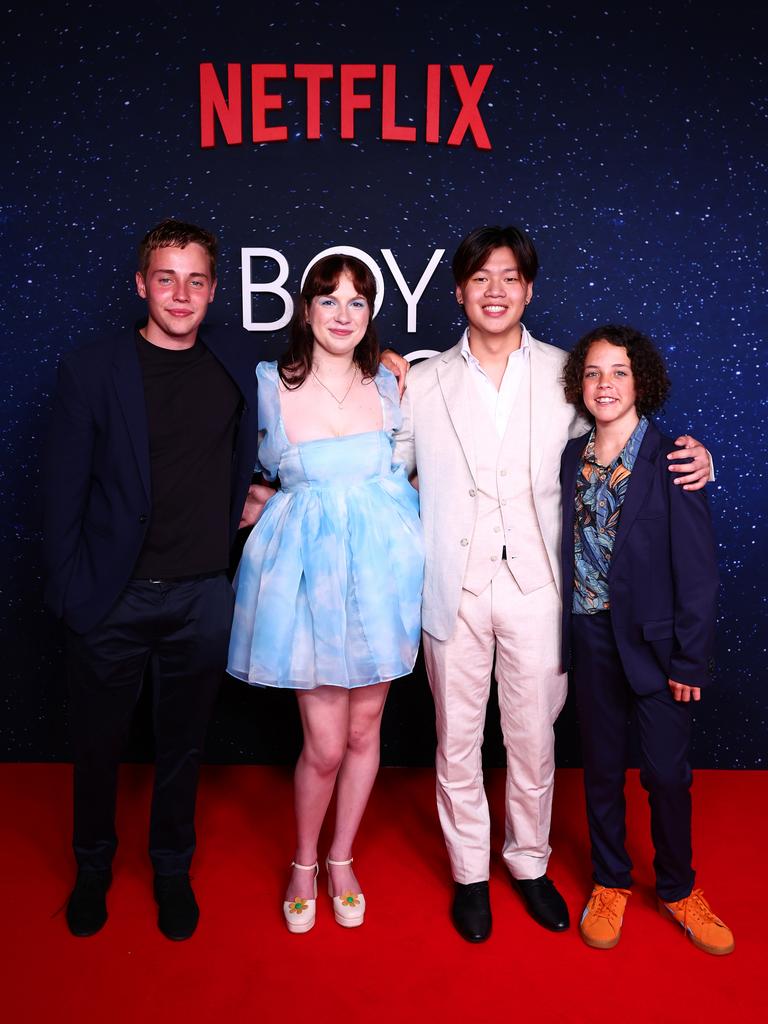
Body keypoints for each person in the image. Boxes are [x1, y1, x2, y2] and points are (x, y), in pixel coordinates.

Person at [393, 225, 712, 943]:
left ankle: (528, 864)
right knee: (456, 741)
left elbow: (621, 433)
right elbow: (385, 469)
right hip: (455, 588)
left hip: (542, 589)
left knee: (535, 739)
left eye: (509, 277)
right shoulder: (423, 381)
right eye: (481, 278)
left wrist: (695, 455)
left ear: (529, 289)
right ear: (459, 292)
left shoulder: (568, 372)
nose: (496, 291)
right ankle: (470, 872)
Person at [42, 219, 263, 940]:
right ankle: (93, 867)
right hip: (112, 599)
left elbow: (318, 371)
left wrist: (388, 362)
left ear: (213, 290)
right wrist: (75, 598)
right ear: (141, 285)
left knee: (183, 746)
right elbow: (61, 495)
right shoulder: (91, 369)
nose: (180, 293)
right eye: (165, 278)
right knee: (99, 745)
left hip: (201, 596)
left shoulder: (234, 363)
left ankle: (171, 866)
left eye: (195, 280)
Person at [227, 253, 424, 933]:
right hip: (308, 586)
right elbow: (223, 463)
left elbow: (417, 473)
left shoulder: (392, 382)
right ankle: (304, 861)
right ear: (305, 308)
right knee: (326, 744)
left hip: (385, 580)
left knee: (367, 729)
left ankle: (342, 858)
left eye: (357, 302)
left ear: (370, 315)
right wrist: (248, 503)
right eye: (329, 299)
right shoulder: (264, 385)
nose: (343, 314)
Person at [560, 324, 733, 955]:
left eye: (619, 372)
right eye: (593, 373)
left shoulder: (674, 459)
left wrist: (691, 656)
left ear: (642, 382)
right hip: (589, 636)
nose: (605, 384)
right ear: (580, 384)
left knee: (665, 775)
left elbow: (698, 570)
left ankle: (679, 888)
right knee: (600, 771)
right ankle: (610, 881)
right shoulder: (569, 457)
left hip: (659, 647)